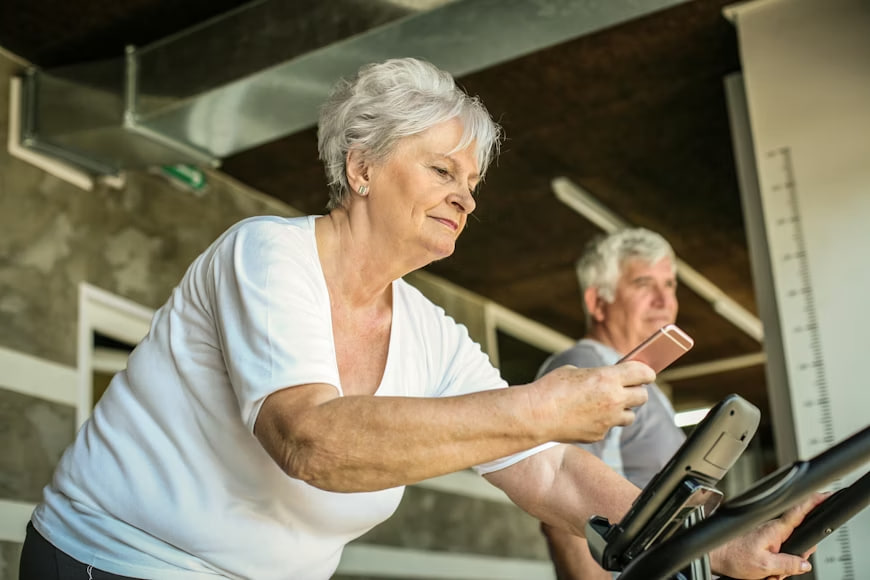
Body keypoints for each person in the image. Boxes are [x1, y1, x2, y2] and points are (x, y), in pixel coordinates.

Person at [20, 57, 819, 580]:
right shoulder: (268, 255)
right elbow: (311, 440)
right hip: (111, 561)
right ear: (360, 166)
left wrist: (715, 540)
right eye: (442, 169)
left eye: (472, 180)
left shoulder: (430, 331)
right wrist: (540, 405)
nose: (466, 196)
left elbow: (550, 470)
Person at [536, 228, 689, 579]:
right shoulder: (588, 366)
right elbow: (562, 499)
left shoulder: (637, 377)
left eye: (669, 285)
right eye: (643, 284)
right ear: (597, 303)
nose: (664, 301)